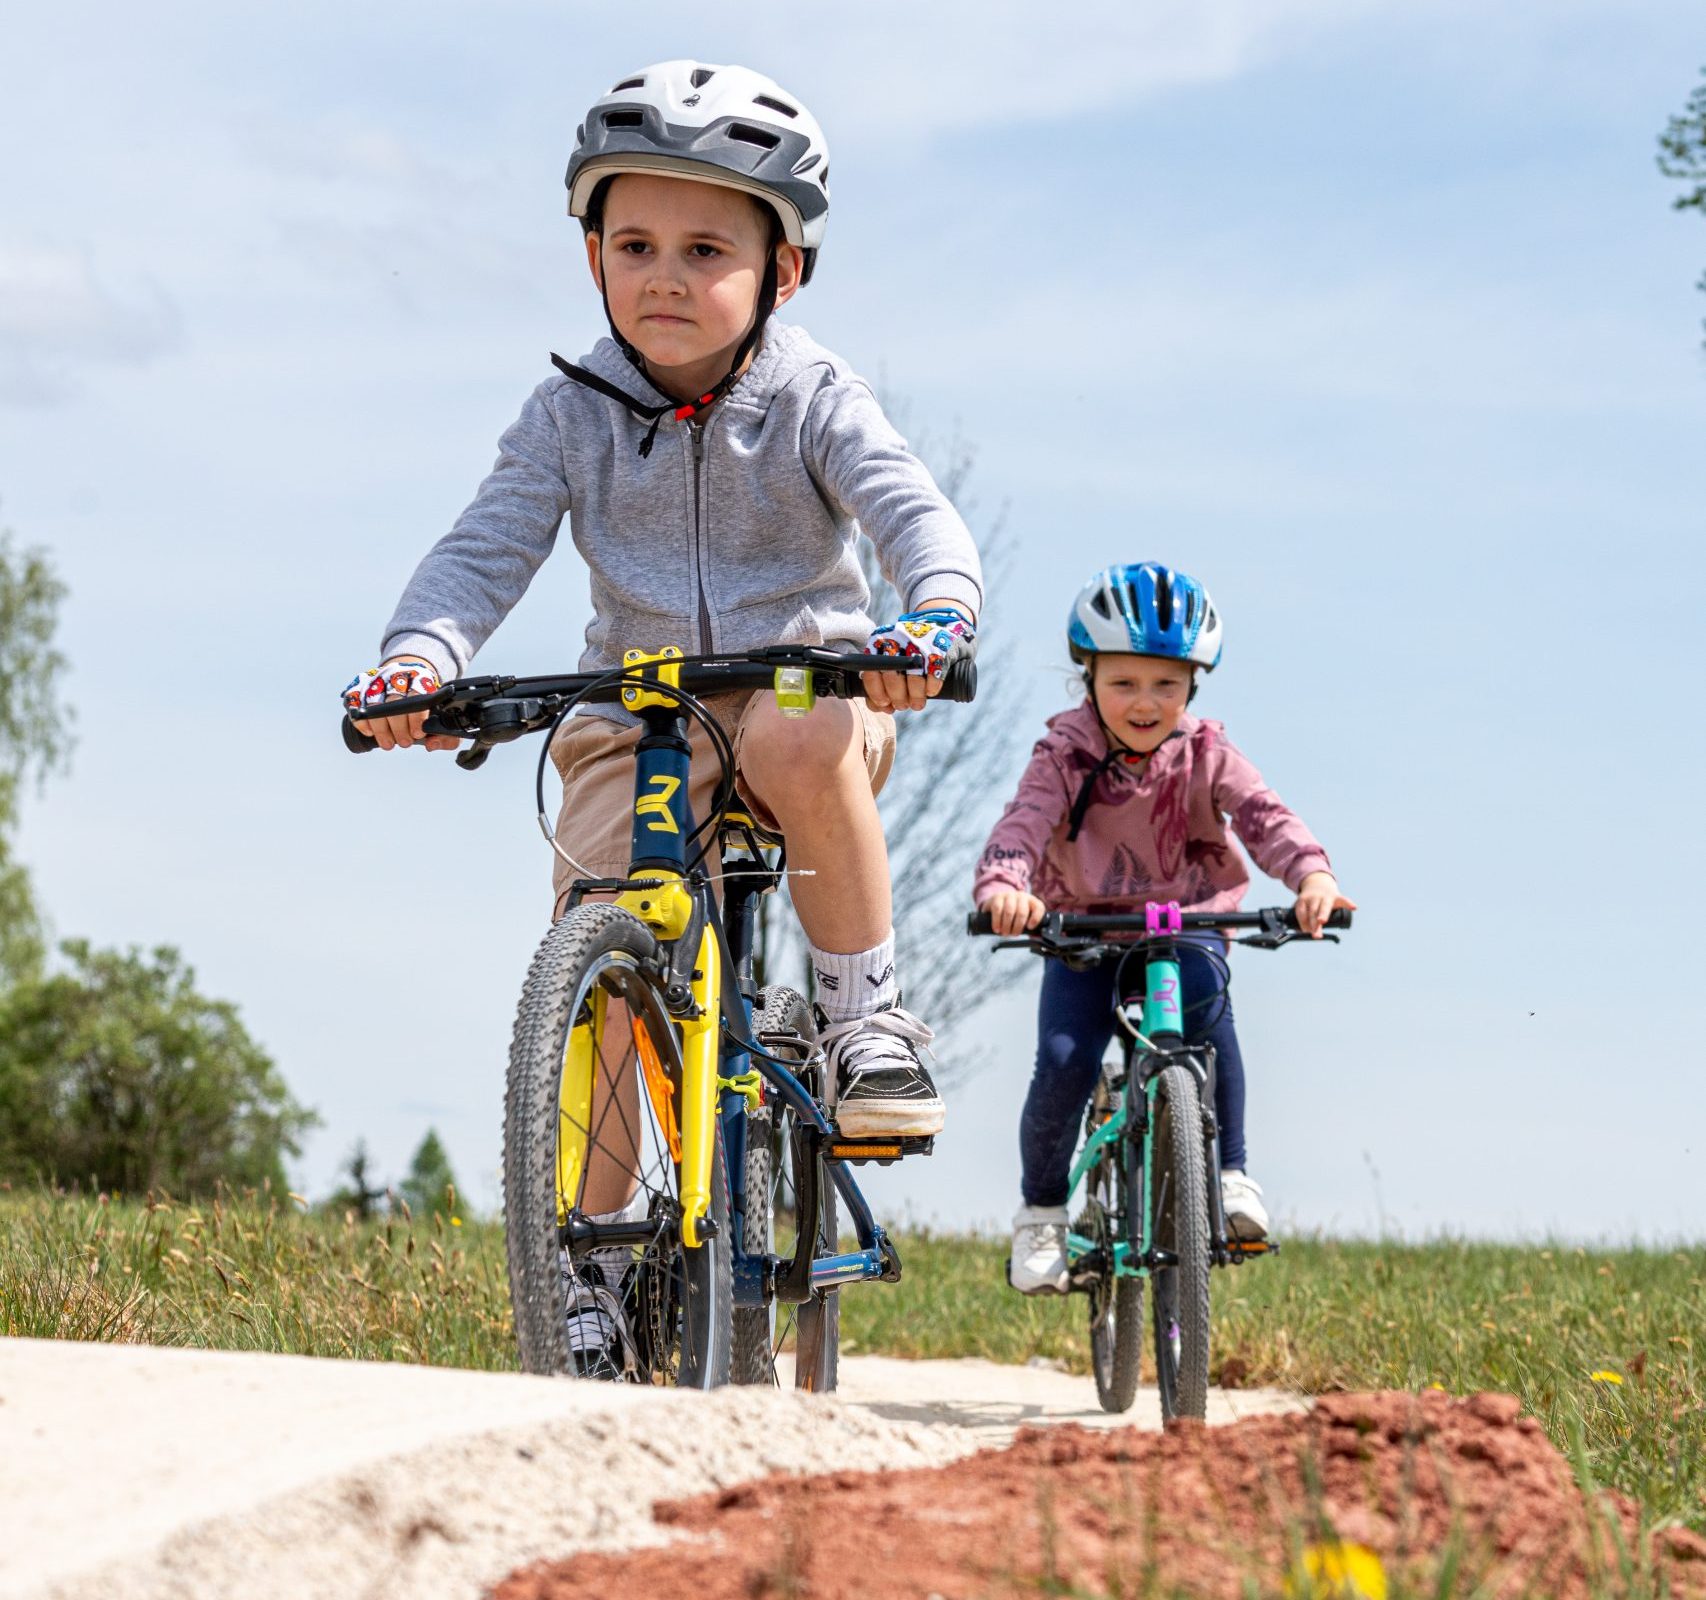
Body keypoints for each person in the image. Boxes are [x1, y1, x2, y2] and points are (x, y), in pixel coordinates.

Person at [342, 62, 981, 1369]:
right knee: (604, 940)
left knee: (803, 732)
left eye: (706, 248)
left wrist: (934, 616)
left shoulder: (810, 396)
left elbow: (912, 512)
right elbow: (484, 551)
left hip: (805, 680)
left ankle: (863, 1015)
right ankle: (580, 1259)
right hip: (636, 710)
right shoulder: (567, 414)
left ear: (783, 271)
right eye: (633, 244)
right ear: (589, 255)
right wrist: (419, 660)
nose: (665, 276)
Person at [972, 563, 1351, 1294]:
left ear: (1194, 685)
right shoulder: (1064, 755)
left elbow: (1263, 817)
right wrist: (1004, 888)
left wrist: (1312, 877)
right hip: (1084, 933)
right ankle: (1044, 1214)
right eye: (1124, 684)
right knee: (1064, 1059)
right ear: (1088, 678)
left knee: (1212, 1028)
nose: (1145, 703)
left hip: (1188, 926)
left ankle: (1232, 1176)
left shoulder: (1207, 752)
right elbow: (1023, 826)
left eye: (1166, 685)